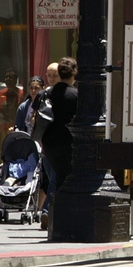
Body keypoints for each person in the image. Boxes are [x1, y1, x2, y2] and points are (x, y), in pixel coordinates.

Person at [39, 57, 78, 229]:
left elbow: (36, 117)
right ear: (74, 73)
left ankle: (51, 212)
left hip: (48, 144)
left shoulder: (46, 93)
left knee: (56, 179)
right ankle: (56, 215)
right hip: (67, 143)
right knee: (63, 180)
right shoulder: (75, 95)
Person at [0, 70, 20, 157]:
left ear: (15, 80)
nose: (8, 80)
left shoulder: (21, 93)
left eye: (11, 78)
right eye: (6, 77)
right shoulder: (0, 94)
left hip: (15, 126)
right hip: (2, 127)